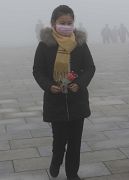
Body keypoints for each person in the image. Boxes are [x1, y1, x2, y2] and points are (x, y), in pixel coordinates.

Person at [33, 5, 95, 180]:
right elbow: (37, 71)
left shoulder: (80, 44)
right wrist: (49, 86)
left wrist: (80, 84)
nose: (67, 26)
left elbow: (90, 67)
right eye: (62, 23)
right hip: (56, 102)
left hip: (77, 101)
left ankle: (72, 174)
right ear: (53, 23)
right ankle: (56, 161)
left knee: (75, 143)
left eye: (70, 22)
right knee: (59, 142)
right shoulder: (45, 45)